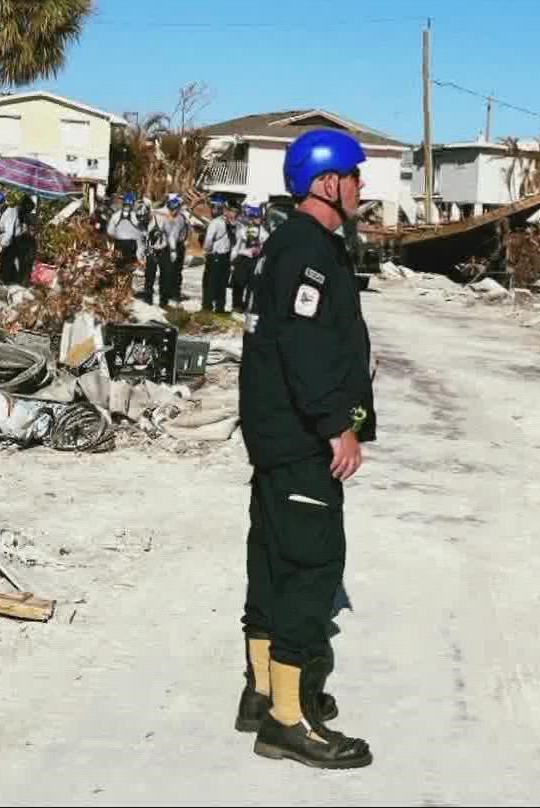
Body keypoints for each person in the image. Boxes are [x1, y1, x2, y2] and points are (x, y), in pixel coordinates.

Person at [237, 129, 376, 770]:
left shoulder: (288, 245)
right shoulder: (310, 253)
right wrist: (335, 424)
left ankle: (263, 693)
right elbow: (305, 345)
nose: (362, 187)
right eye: (355, 177)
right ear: (328, 183)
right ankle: (288, 722)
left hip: (273, 435)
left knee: (271, 559)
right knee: (311, 567)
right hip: (298, 437)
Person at [203, 197, 238, 314]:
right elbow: (209, 240)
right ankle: (213, 307)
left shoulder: (225, 224)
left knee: (216, 283)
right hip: (221, 256)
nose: (233, 213)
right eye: (231, 211)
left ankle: (214, 307)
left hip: (220, 256)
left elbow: (209, 240)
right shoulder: (222, 223)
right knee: (216, 283)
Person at [157, 194, 191, 305]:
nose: (173, 211)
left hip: (176, 246)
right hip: (169, 247)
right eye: (171, 209)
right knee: (168, 272)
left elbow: (183, 232)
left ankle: (173, 294)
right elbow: (169, 234)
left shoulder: (180, 218)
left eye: (175, 209)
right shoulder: (169, 218)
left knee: (175, 272)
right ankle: (167, 296)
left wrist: (184, 243)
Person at [231, 204, 266, 312]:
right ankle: (237, 306)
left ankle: (248, 306)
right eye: (256, 217)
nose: (258, 220)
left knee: (252, 286)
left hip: (254, 260)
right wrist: (232, 259)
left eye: (260, 217)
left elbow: (265, 246)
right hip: (242, 259)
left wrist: (260, 251)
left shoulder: (264, 233)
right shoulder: (242, 230)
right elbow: (237, 245)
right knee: (238, 284)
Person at [107, 192, 143, 274]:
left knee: (119, 267)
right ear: (133, 204)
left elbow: (110, 232)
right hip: (131, 245)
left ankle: (120, 280)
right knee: (130, 267)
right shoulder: (135, 216)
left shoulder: (115, 216)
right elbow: (141, 231)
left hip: (120, 244)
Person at [0, 191, 22, 284]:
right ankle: (8, 279)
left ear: (4, 203)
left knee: (7, 263)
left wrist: (0, 246)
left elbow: (9, 233)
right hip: (7, 241)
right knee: (5, 264)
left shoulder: (10, 213)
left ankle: (8, 281)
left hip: (14, 242)